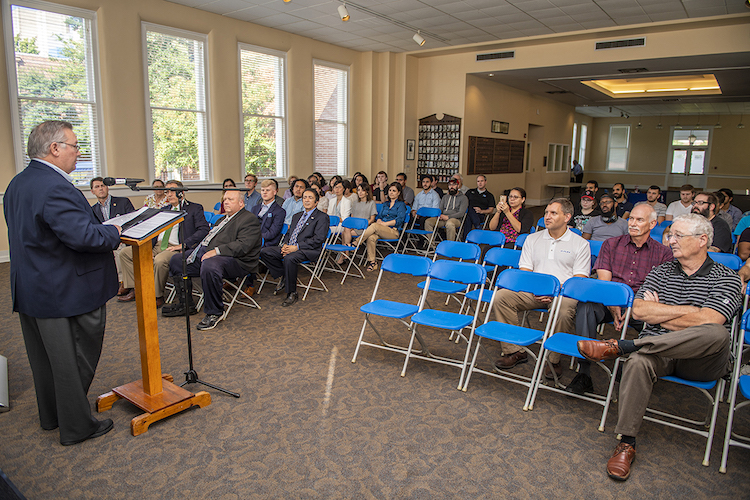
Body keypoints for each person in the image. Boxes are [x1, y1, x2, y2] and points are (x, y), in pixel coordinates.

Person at [577, 214, 742, 482]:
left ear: (702, 240)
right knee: (638, 362)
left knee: (716, 333)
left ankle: (627, 345)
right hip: (659, 352)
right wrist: (690, 313)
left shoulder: (727, 278)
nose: (670, 240)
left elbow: (711, 320)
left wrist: (662, 312)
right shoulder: (661, 271)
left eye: (678, 236)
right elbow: (640, 311)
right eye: (670, 235)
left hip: (701, 360)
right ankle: (626, 442)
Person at [4, 120, 122, 445]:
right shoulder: (55, 186)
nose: (78, 152)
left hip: (32, 286)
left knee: (45, 359)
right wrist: (113, 232)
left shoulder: (17, 183)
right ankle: (77, 426)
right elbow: (84, 237)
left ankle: (52, 415)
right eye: (74, 146)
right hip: (65, 289)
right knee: (73, 357)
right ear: (54, 148)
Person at [568, 204, 673, 395]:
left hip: (641, 306)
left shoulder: (663, 253)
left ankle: (633, 365)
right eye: (631, 218)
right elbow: (604, 281)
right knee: (586, 307)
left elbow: (658, 290)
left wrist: (634, 307)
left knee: (662, 323)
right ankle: (584, 372)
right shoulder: (611, 244)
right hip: (610, 300)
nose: (632, 223)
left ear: (652, 224)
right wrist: (613, 303)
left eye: (639, 220)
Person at [492, 198, 591, 379]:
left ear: (567, 217)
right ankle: (514, 350)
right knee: (501, 297)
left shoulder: (580, 244)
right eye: (546, 212)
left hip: (563, 294)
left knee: (563, 310)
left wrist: (554, 292)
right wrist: (537, 289)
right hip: (533, 290)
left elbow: (579, 278)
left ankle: (553, 359)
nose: (547, 216)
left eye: (553, 213)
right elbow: (525, 271)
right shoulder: (533, 239)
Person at [163, 190, 261, 330]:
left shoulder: (249, 219)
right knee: (177, 260)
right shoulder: (222, 219)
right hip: (209, 254)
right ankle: (186, 304)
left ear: (241, 203)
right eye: (225, 199)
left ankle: (215, 312)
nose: (226, 202)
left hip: (237, 260)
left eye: (230, 199)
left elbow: (243, 245)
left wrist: (216, 251)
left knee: (210, 265)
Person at [118, 180, 210, 307]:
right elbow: (154, 232)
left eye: (172, 191)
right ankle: (136, 289)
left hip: (174, 247)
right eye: (167, 192)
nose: (169, 194)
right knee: (125, 253)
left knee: (160, 260)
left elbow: (204, 230)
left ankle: (157, 296)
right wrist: (148, 248)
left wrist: (184, 244)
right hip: (157, 245)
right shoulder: (164, 210)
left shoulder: (194, 208)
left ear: (182, 193)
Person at [261, 188, 329, 307]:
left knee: (289, 258)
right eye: (305, 197)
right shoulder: (296, 216)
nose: (306, 200)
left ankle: (292, 293)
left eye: (310, 198)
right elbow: (289, 233)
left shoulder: (322, 217)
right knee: (264, 252)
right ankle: (285, 275)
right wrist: (285, 245)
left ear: (316, 202)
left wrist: (296, 247)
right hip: (290, 247)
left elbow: (318, 239)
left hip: (309, 250)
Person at [90, 176, 135, 290]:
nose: (101, 189)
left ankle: (123, 283)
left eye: (103, 186)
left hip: (124, 239)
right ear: (92, 191)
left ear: (107, 188)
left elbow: (133, 222)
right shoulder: (92, 210)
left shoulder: (123, 202)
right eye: (97, 187)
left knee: (119, 249)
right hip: (105, 240)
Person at [361, 182, 407, 272]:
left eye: (394, 191)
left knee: (374, 225)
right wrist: (379, 220)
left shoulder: (401, 204)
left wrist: (385, 224)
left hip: (393, 231)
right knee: (371, 237)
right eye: (390, 190)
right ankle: (373, 262)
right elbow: (379, 216)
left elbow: (399, 220)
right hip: (380, 229)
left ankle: (357, 242)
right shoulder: (386, 204)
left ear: (398, 193)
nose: (391, 192)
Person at [338, 183, 378, 264]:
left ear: (367, 192)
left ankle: (344, 254)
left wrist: (362, 225)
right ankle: (347, 251)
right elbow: (352, 217)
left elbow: (372, 219)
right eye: (358, 190)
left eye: (363, 190)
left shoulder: (371, 203)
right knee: (345, 230)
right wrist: (353, 226)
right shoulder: (355, 203)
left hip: (365, 227)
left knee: (344, 233)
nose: (360, 192)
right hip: (354, 227)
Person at [250, 179, 286, 248]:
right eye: (262, 190)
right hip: (252, 241)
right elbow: (249, 226)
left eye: (268, 190)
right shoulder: (254, 208)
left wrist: (255, 237)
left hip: (267, 244)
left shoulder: (279, 211)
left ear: (274, 192)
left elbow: (272, 233)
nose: (265, 192)